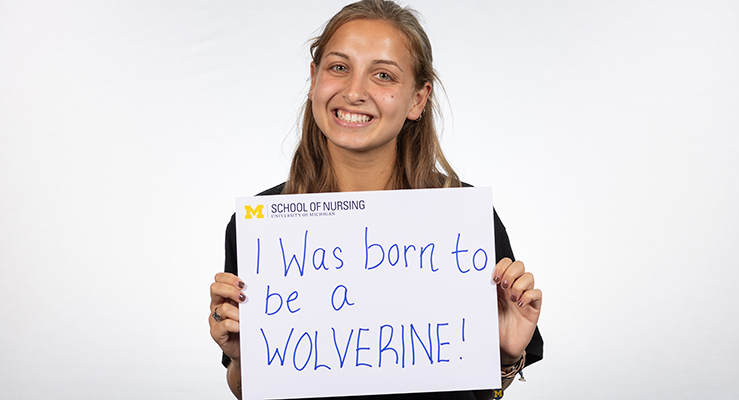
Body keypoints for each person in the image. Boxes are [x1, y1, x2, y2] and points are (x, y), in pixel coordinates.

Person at [209, 1, 543, 399]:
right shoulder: (263, 227)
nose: (354, 91)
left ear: (418, 99)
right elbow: (248, 390)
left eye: (383, 75)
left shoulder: (466, 219)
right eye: (338, 67)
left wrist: (504, 355)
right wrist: (245, 359)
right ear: (314, 78)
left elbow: (481, 393)